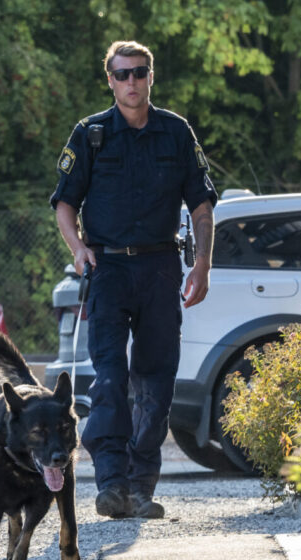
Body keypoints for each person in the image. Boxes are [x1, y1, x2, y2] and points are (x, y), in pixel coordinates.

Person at [50, 40, 217, 519]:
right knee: (110, 378)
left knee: (156, 381)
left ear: (150, 76)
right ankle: (110, 484)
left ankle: (141, 486)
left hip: (161, 266)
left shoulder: (175, 132)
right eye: (122, 74)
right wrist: (78, 249)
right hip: (108, 270)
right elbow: (64, 203)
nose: (131, 82)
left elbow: (201, 205)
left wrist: (202, 263)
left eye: (139, 73)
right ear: (110, 80)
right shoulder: (91, 134)